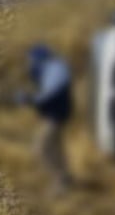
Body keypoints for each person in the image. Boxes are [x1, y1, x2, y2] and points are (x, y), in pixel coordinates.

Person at [17, 45, 73, 192]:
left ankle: (60, 182)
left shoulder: (55, 70)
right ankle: (65, 179)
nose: (30, 63)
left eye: (31, 59)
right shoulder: (52, 70)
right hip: (55, 115)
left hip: (55, 117)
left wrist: (29, 99)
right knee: (55, 149)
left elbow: (47, 96)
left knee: (41, 148)